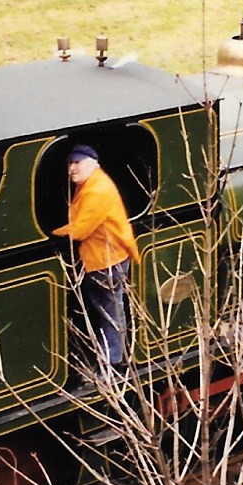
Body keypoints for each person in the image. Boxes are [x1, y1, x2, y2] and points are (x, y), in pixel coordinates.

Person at [52, 145, 140, 374]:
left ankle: (113, 363)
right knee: (107, 309)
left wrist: (53, 234)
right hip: (101, 257)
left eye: (77, 163)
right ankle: (110, 356)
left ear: (91, 164)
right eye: (69, 163)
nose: (71, 169)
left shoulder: (97, 190)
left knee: (110, 311)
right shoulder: (89, 184)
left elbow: (81, 229)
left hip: (107, 259)